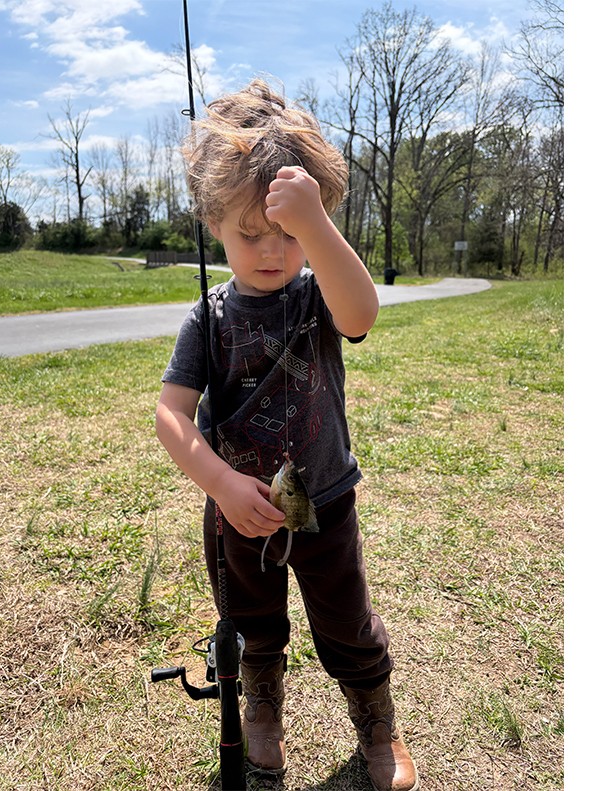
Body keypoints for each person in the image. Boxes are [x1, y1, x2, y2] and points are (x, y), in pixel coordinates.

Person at [155, 78, 419, 791]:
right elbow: (171, 413)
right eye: (250, 233)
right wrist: (218, 481)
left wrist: (317, 229)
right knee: (251, 625)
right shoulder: (207, 319)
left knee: (345, 620)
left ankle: (377, 725)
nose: (272, 250)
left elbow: (360, 313)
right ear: (214, 223)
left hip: (324, 500)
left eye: (288, 234)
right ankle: (261, 716)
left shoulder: (316, 288)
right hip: (241, 511)